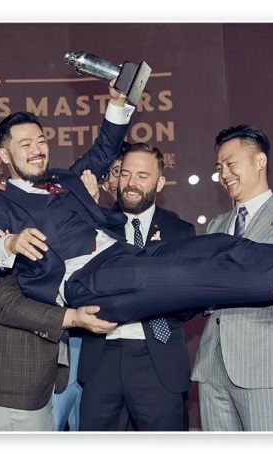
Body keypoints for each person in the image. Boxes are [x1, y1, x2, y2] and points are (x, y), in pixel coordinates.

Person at [0, 104, 273, 324]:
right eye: (25, 144)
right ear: (4, 155)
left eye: (41, 140)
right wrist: (10, 243)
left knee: (221, 244)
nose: (37, 149)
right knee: (192, 277)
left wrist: (120, 101)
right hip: (84, 280)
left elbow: (105, 148)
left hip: (122, 256)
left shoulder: (66, 178)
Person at [0, 161, 117, 431]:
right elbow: (4, 303)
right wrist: (73, 318)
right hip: (4, 383)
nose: (6, 186)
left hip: (21, 382)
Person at [191, 124, 273, 431]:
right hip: (211, 368)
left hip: (264, 368)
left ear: (259, 161)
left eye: (230, 164)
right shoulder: (216, 225)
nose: (224, 174)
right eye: (219, 167)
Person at [78, 143, 196, 431]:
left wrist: (157, 293)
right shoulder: (95, 226)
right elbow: (77, 286)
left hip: (158, 360)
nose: (131, 183)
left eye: (142, 176)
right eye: (126, 174)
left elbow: (190, 304)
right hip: (102, 356)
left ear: (159, 183)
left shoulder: (180, 232)